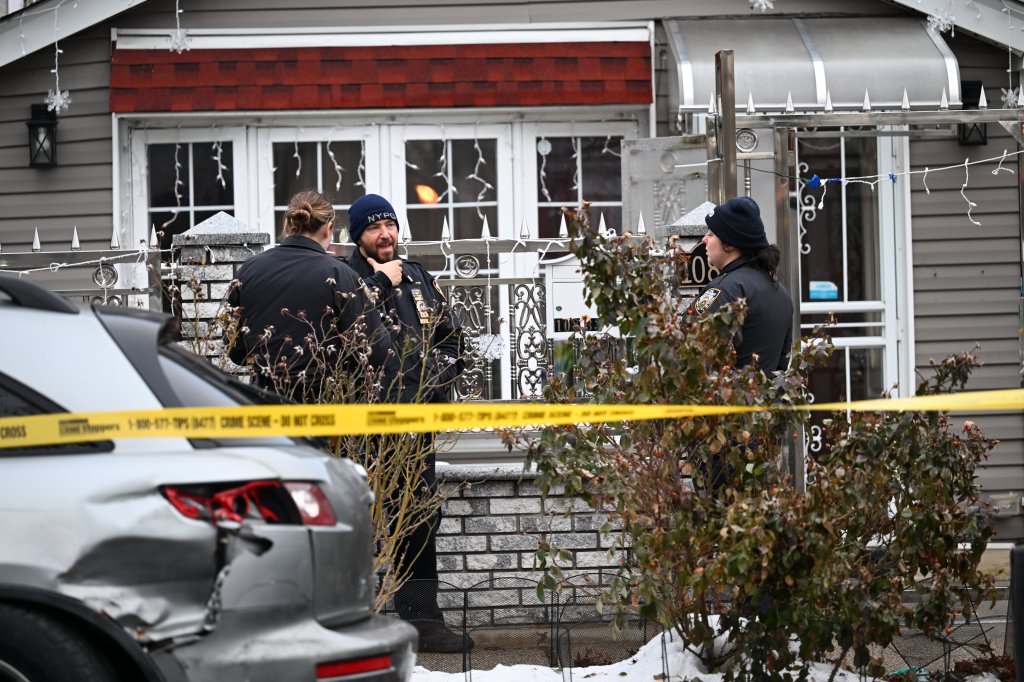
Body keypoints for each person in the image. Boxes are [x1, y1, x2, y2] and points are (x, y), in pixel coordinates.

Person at [342, 193, 470, 653]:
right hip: (364, 428)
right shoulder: (345, 279)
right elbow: (342, 340)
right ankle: (356, 620)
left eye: (390, 225)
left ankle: (423, 621)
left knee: (418, 518)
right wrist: (377, 283)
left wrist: (437, 374)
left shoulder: (419, 277)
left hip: (417, 424)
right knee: (358, 520)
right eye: (374, 227)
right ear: (357, 235)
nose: (385, 234)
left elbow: (453, 338)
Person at [226, 190, 396, 400]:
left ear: (287, 226)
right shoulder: (338, 274)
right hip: (322, 402)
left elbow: (236, 351)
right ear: (328, 228)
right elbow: (375, 351)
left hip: (264, 399)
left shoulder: (249, 270)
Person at [692, 195, 794, 373]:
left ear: (729, 244)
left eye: (710, 234)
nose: (704, 240)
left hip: (727, 390)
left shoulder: (723, 289)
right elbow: (781, 365)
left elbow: (688, 350)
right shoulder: (781, 292)